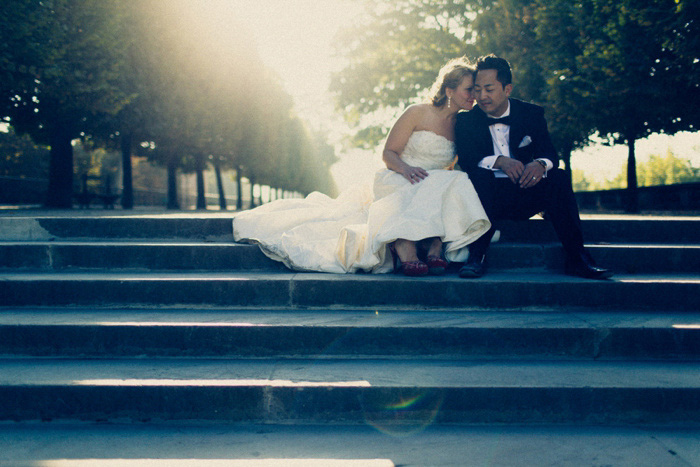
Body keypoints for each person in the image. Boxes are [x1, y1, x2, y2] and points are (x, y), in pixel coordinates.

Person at [233, 57, 491, 276]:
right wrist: (406, 169)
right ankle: (406, 245)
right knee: (430, 184)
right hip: (399, 176)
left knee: (453, 180)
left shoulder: (463, 125)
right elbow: (388, 153)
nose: (475, 96)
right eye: (470, 89)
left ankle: (435, 244)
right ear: (449, 90)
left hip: (432, 182)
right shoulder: (417, 112)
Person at [454, 54, 613, 280]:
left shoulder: (531, 114)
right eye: (477, 89)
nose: (482, 96)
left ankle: (578, 258)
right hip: (487, 198)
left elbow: (550, 154)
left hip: (525, 192)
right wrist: (499, 161)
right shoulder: (466, 120)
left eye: (489, 89)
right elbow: (467, 159)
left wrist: (540, 164)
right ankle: (476, 256)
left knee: (558, 177)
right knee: (478, 177)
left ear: (507, 89)